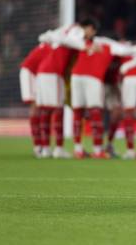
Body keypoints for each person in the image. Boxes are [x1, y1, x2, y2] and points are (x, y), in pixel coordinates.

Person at [35, 20, 98, 159]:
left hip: (44, 72)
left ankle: (44, 148)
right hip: (53, 72)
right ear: (88, 28)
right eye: (92, 31)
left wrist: (54, 36)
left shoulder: (64, 32)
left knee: (45, 109)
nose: (90, 35)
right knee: (58, 109)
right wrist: (83, 46)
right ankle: (58, 148)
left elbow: (43, 37)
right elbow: (70, 40)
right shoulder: (77, 32)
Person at [19, 41, 52, 157]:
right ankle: (38, 146)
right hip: (30, 72)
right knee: (35, 106)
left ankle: (42, 146)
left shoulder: (51, 45)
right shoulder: (53, 47)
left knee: (40, 107)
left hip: (37, 74)